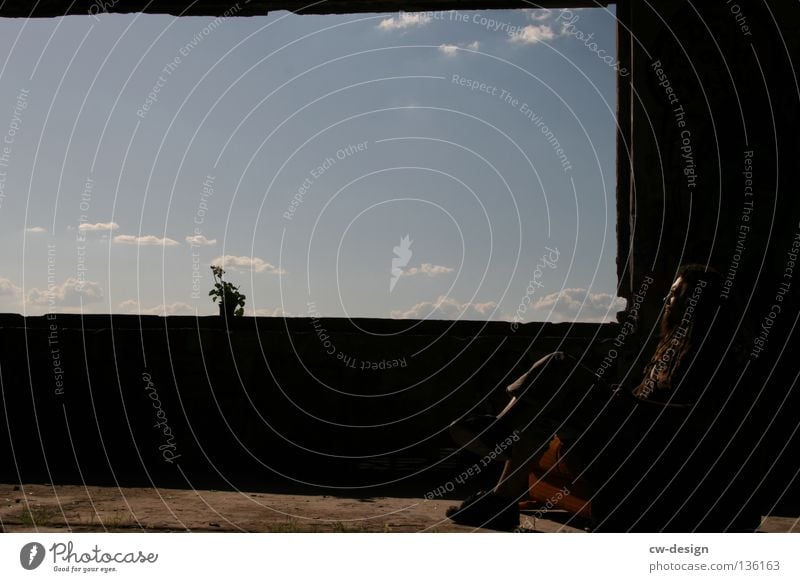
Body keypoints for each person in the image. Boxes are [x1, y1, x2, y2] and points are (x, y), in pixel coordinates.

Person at [445, 264, 751, 531]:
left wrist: (633, 405)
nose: (666, 300)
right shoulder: (672, 345)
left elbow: (695, 415)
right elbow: (651, 397)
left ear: (697, 302)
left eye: (675, 294)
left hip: (650, 440)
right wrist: (628, 397)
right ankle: (502, 498)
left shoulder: (714, 351)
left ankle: (501, 432)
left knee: (560, 363)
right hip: (633, 424)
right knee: (545, 409)